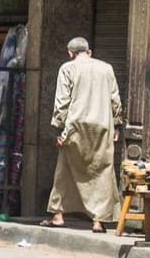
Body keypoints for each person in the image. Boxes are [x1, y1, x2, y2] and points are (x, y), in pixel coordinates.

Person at [46, 37, 122, 233]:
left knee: (65, 169)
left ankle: (58, 215)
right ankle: (98, 221)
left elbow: (62, 101)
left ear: (70, 53)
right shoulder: (107, 68)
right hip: (102, 125)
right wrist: (117, 125)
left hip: (76, 126)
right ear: (89, 52)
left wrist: (58, 128)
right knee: (102, 171)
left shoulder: (68, 68)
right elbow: (115, 100)